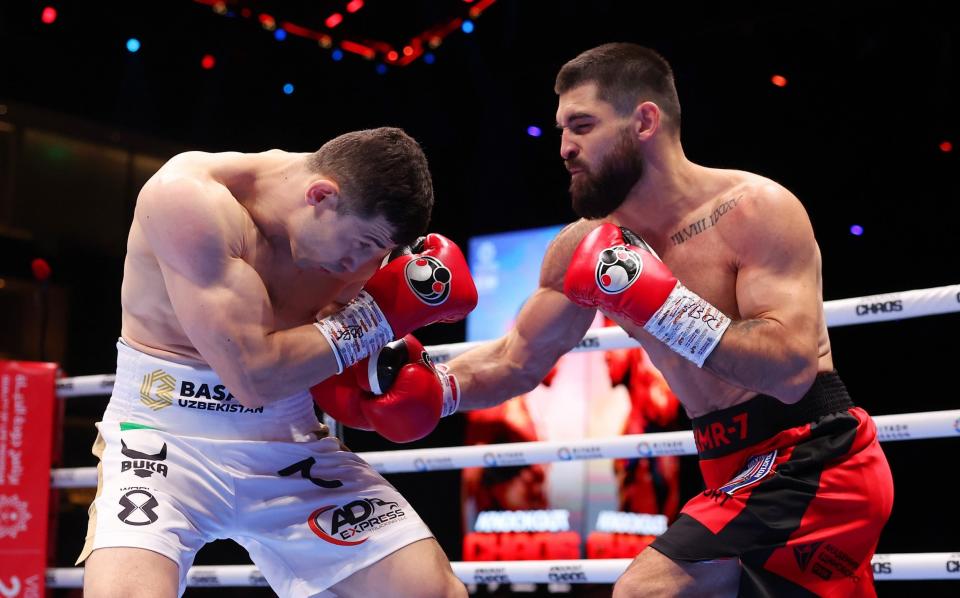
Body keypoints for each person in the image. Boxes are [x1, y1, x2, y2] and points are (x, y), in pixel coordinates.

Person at [444, 43, 894, 596]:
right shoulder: (583, 247)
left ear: (645, 122)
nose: (564, 147)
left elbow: (792, 369)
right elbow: (514, 360)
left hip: (815, 458)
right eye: (561, 129)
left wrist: (663, 304)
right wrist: (413, 384)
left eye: (581, 126)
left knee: (645, 589)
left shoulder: (754, 209)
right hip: (728, 467)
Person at [77, 127, 476, 598]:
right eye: (362, 244)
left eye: (378, 252)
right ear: (321, 195)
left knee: (435, 592)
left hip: (287, 441)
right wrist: (382, 314)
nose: (359, 267)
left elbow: (324, 348)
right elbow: (254, 376)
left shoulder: (364, 235)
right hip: (163, 436)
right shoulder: (189, 199)